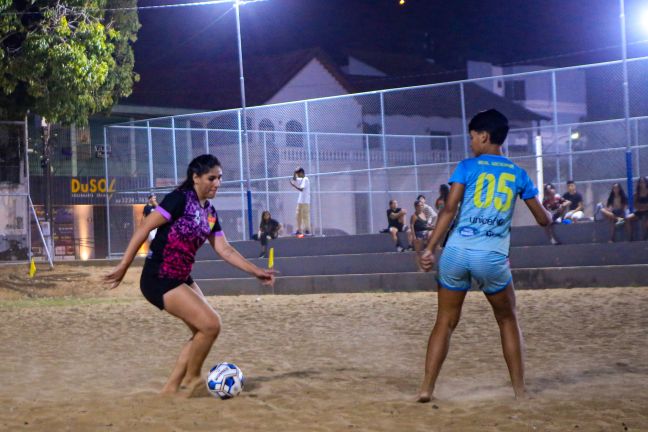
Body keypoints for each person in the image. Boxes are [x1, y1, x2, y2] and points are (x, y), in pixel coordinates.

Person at [104, 155, 275, 397]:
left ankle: (170, 389)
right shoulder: (179, 200)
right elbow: (144, 227)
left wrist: (256, 271)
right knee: (211, 325)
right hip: (159, 277)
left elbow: (225, 249)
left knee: (201, 330)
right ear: (195, 177)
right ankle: (193, 378)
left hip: (181, 277)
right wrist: (124, 265)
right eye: (211, 178)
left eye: (220, 178)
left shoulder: (210, 213)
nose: (217, 183)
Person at [417, 109, 551, 403]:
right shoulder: (518, 173)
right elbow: (542, 219)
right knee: (507, 319)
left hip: (455, 252)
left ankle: (427, 388)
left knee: (445, 321)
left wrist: (430, 249)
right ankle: (519, 390)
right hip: (490, 256)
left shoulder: (467, 167)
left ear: (484, 136)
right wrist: (550, 213)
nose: (471, 143)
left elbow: (449, 210)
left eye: (473, 138)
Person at [409, 200, 433, 265]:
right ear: (415, 207)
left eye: (422, 205)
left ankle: (429, 246)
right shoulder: (414, 216)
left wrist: (431, 226)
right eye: (419, 205)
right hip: (419, 233)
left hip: (425, 231)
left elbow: (425, 224)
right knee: (430, 233)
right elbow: (412, 226)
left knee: (433, 231)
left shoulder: (423, 214)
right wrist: (414, 237)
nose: (421, 207)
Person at [289, 167, 311, 236]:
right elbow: (295, 179)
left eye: (298, 174)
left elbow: (301, 189)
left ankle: (307, 230)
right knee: (298, 216)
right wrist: (294, 172)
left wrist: (294, 186)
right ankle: (298, 230)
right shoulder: (301, 179)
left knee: (305, 216)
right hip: (300, 201)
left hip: (305, 201)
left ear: (301, 173)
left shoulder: (305, 179)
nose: (297, 175)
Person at [628, 176, 648, 240]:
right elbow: (635, 205)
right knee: (627, 218)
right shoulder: (637, 194)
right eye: (640, 182)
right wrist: (642, 207)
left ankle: (645, 237)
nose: (642, 184)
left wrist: (643, 206)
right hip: (639, 211)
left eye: (643, 182)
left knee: (645, 219)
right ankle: (631, 237)